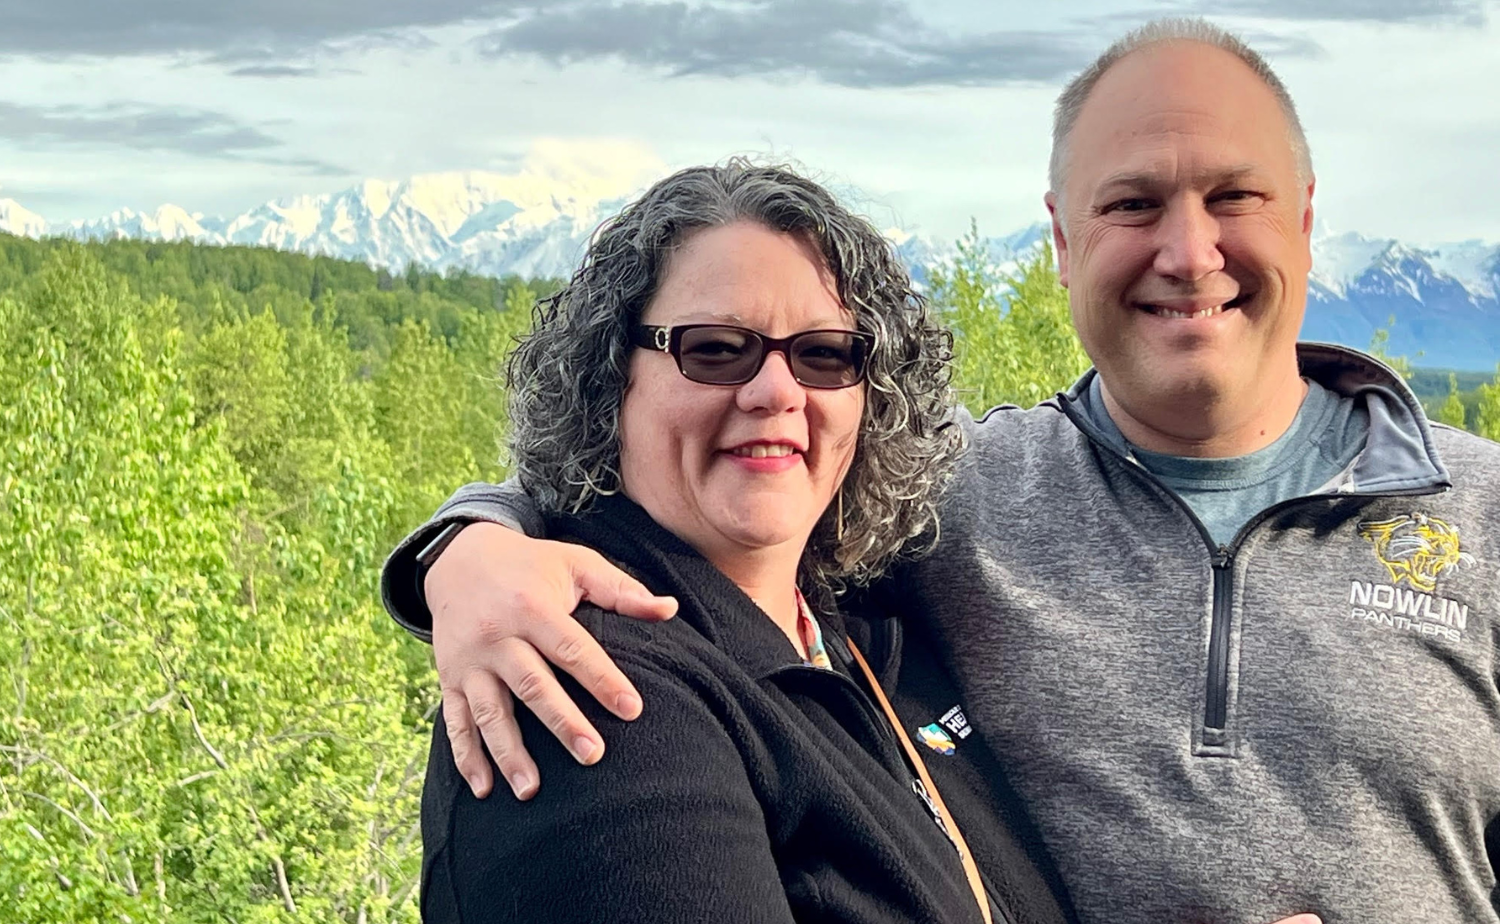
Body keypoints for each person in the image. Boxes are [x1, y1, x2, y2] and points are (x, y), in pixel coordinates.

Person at [386, 18, 1500, 924]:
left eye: (827, 356)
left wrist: (462, 553)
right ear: (1063, 241)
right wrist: (470, 551)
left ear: (1307, 221)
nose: (1188, 251)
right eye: (1132, 203)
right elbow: (692, 497)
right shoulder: (962, 500)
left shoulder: (1488, 520)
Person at [413, 160, 1075, 923]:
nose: (777, 392)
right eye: (716, 348)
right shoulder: (585, 685)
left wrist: (463, 541)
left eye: (824, 354)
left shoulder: (863, 626)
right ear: (608, 378)